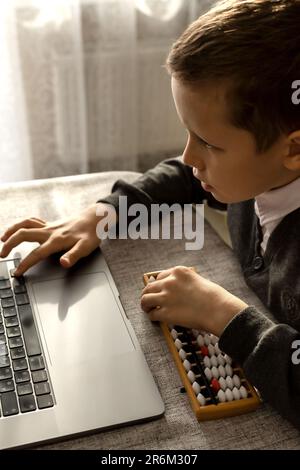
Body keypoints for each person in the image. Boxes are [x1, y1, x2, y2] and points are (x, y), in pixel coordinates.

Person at [1, 0, 300, 428]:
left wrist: (225, 315)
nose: (188, 155)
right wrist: (102, 214)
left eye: (209, 143)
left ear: (293, 149)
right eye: (188, 133)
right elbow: (182, 174)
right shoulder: (254, 174)